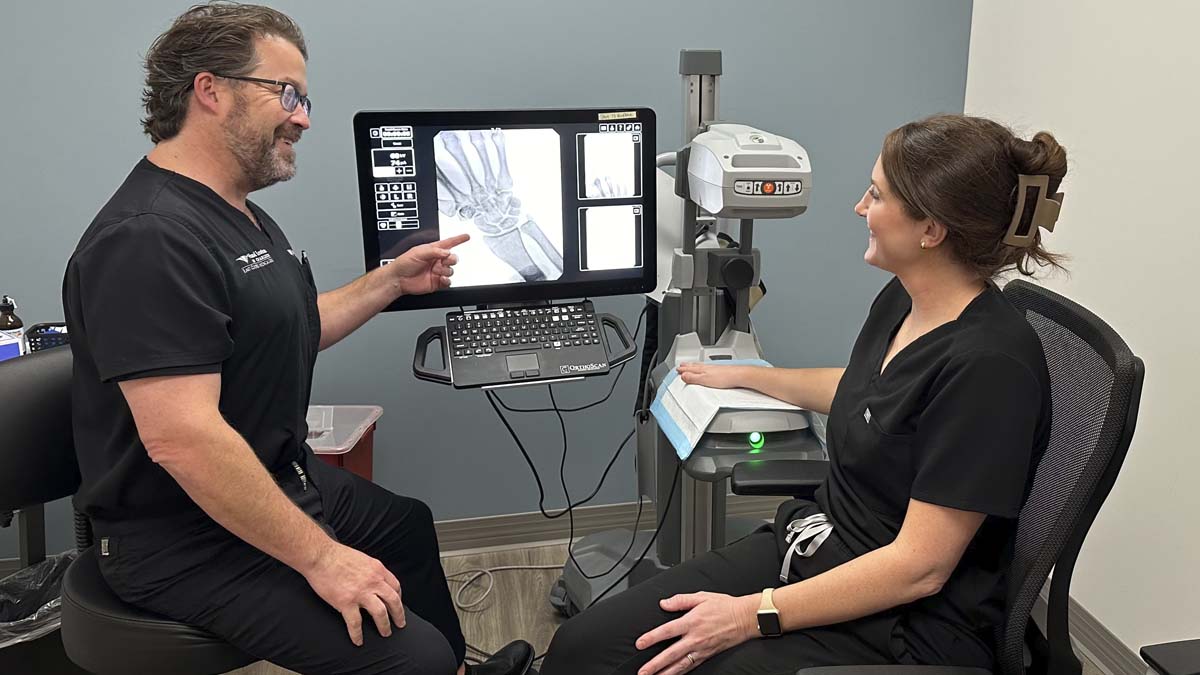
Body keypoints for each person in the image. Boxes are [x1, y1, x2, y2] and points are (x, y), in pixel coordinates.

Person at [62, 3, 532, 674]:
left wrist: (391, 281)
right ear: (211, 90)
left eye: (303, 98)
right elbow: (182, 439)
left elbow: (288, 329)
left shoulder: (237, 214)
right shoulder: (148, 239)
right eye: (286, 94)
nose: (303, 117)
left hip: (275, 475)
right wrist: (322, 557)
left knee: (406, 524)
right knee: (410, 653)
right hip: (182, 533)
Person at [540, 113, 1068, 675]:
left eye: (877, 195)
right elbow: (872, 392)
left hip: (903, 623)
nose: (860, 208)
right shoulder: (906, 300)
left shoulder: (991, 368)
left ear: (930, 230)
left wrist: (750, 615)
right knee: (585, 648)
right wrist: (750, 375)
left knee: (684, 665)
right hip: (818, 545)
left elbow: (920, 568)